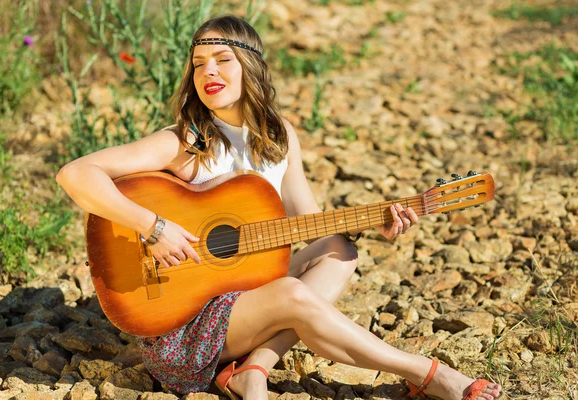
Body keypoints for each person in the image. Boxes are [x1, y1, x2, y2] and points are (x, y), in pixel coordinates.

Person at [56, 14, 502, 400]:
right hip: (180, 328)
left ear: (250, 65)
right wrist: (153, 226)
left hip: (243, 300)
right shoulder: (186, 141)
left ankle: (255, 367)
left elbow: (309, 225)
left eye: (222, 60)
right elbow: (75, 174)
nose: (208, 71)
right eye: (198, 64)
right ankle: (429, 374)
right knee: (293, 295)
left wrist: (376, 222)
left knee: (340, 250)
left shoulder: (279, 137)